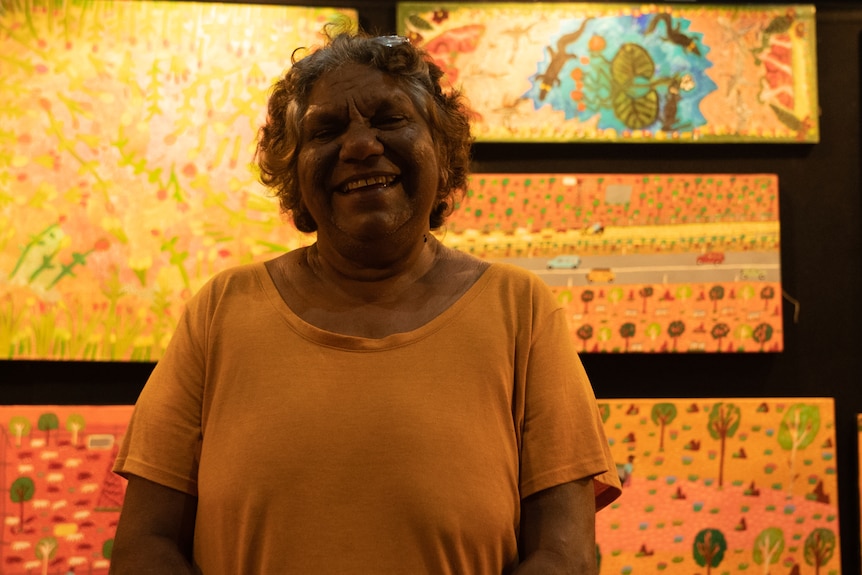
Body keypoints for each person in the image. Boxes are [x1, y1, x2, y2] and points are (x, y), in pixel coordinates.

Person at [110, 29, 621, 574]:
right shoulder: (221, 311)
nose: (359, 146)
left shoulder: (520, 311)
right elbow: (145, 546)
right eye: (325, 129)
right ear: (293, 172)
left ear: (443, 151)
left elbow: (563, 555)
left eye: (389, 119)